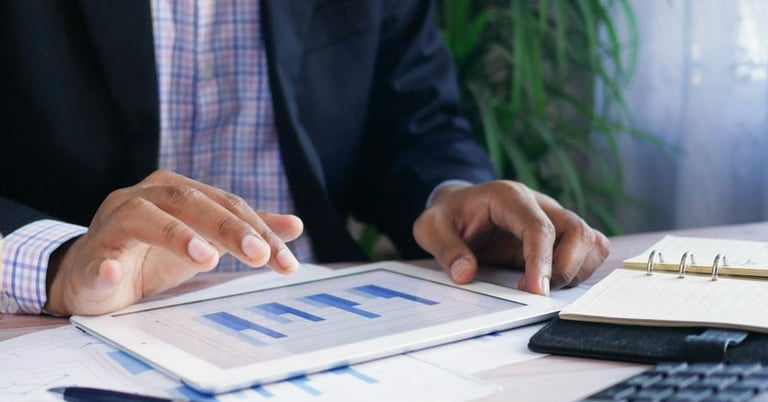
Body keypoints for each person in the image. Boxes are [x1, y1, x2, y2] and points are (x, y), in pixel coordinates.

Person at [0, 0, 609, 317]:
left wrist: (453, 196)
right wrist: (57, 264)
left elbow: (412, 119)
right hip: (62, 329)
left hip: (318, 319)